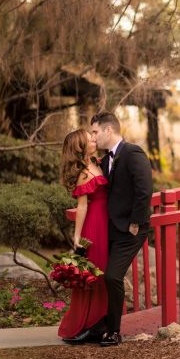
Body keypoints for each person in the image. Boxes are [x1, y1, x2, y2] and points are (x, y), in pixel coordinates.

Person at [73, 111, 153, 347]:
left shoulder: (132, 153)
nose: (93, 137)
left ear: (108, 130)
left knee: (112, 276)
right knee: (101, 276)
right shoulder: (105, 160)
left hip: (131, 230)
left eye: (95, 132)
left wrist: (135, 223)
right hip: (110, 229)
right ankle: (99, 325)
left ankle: (114, 331)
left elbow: (144, 190)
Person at [57, 129, 109, 342]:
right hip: (94, 225)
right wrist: (77, 236)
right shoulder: (84, 174)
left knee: (105, 272)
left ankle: (101, 321)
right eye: (90, 139)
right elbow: (82, 206)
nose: (94, 140)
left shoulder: (97, 163)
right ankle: (87, 324)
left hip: (105, 222)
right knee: (95, 273)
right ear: (81, 147)